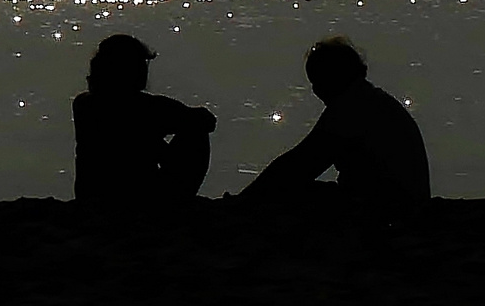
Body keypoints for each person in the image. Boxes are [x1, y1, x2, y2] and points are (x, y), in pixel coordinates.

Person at [242, 37, 429, 214]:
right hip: (400, 201)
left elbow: (299, 165)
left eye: (317, 81)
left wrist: (242, 200)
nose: (315, 91)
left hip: (388, 206)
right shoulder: (372, 101)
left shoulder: (352, 108)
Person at [72, 34, 217, 203]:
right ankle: (177, 199)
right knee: (196, 133)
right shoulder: (146, 106)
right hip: (142, 195)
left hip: (91, 195)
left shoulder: (83, 104)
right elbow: (204, 121)